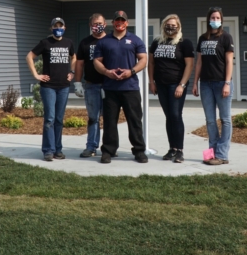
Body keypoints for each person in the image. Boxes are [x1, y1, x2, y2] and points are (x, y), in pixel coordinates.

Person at [93, 10, 148, 164]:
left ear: (127, 23)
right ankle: (108, 151)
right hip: (110, 88)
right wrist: (106, 72)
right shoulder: (104, 41)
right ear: (112, 23)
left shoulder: (135, 40)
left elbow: (143, 60)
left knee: (135, 121)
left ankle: (139, 151)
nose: (120, 23)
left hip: (130, 88)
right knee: (110, 122)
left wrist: (131, 72)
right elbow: (97, 61)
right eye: (117, 20)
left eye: (122, 20)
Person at [26, 17, 76, 162]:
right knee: (49, 119)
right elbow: (29, 56)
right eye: (55, 26)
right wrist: (36, 75)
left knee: (59, 119)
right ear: (51, 28)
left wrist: (72, 72)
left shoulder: (68, 43)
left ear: (64, 28)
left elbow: (74, 57)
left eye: (61, 26)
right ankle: (48, 150)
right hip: (48, 87)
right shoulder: (45, 43)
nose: (58, 28)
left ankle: (58, 150)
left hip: (63, 87)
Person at [148, 14, 194, 163]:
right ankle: (172, 148)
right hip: (161, 84)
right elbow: (151, 63)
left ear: (178, 27)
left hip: (176, 84)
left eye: (174, 25)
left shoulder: (184, 43)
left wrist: (182, 85)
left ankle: (179, 150)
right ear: (163, 26)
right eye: (168, 25)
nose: (170, 27)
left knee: (175, 115)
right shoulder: (156, 42)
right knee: (169, 116)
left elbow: (189, 65)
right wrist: (151, 82)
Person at [192, 7, 234, 166]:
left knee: (225, 119)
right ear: (208, 19)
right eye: (212, 17)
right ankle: (212, 153)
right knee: (210, 120)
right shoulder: (202, 38)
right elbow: (199, 62)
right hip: (205, 84)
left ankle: (222, 155)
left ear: (221, 20)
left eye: (217, 18)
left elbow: (229, 62)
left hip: (221, 83)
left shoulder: (226, 37)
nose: (215, 20)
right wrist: (195, 82)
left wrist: (227, 83)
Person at [74, 13, 106, 158]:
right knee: (93, 117)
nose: (97, 26)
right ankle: (91, 147)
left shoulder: (110, 40)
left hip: (109, 85)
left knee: (110, 118)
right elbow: (79, 64)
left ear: (105, 24)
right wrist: (77, 83)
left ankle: (109, 147)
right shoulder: (85, 43)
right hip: (91, 85)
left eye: (100, 23)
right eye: (94, 23)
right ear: (90, 25)